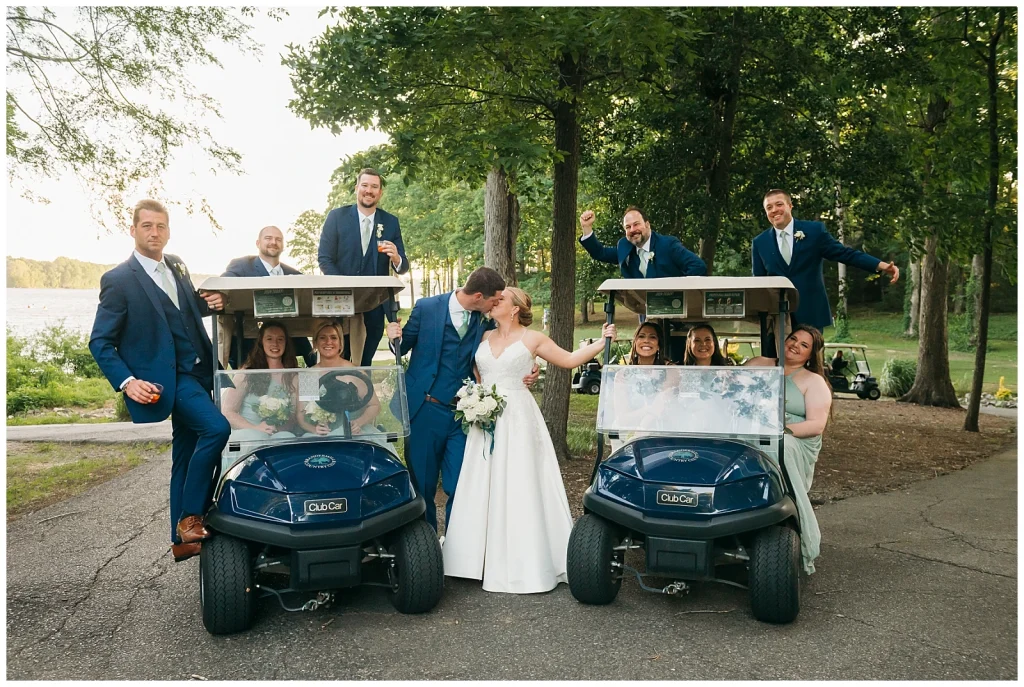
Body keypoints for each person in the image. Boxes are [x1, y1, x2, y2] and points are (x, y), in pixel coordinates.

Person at [442, 287, 616, 593]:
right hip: (486, 418)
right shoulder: (483, 336)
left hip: (519, 417)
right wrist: (475, 399)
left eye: (500, 300)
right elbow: (476, 372)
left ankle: (525, 560)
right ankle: (474, 561)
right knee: (481, 482)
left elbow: (569, 359)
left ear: (513, 308)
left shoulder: (533, 338)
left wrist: (602, 342)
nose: (493, 303)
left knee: (520, 483)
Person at [89, 199, 229, 563]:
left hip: (201, 370)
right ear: (133, 230)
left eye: (161, 226)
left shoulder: (177, 266)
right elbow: (100, 342)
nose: (155, 233)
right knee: (216, 429)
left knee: (184, 453)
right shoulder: (118, 280)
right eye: (147, 226)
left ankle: (180, 538)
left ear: (168, 231)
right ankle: (191, 517)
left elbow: (186, 308)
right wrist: (127, 382)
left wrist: (212, 300)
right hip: (170, 380)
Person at [385, 267, 539, 533]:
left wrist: (531, 365)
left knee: (461, 483)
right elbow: (403, 345)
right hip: (424, 410)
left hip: (462, 415)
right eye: (494, 299)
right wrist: (392, 337)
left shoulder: (484, 319)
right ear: (479, 296)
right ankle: (427, 546)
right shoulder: (426, 307)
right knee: (422, 484)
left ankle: (457, 547)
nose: (496, 305)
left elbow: (508, 342)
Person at [744, 324, 832, 574]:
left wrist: (781, 430)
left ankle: (803, 535)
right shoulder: (759, 364)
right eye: (793, 339)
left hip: (792, 434)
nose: (795, 345)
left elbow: (816, 424)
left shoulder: (813, 381)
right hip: (752, 426)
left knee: (774, 446)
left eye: (804, 345)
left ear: (810, 354)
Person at [752, 189, 899, 335]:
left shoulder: (814, 231)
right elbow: (758, 284)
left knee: (812, 358)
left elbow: (845, 254)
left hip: (811, 314)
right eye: (769, 207)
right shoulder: (760, 242)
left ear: (790, 206)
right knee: (774, 359)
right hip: (776, 318)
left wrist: (880, 265)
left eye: (779, 204)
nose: (774, 210)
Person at [318, 168, 410, 366]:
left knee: (364, 363)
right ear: (356, 188)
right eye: (365, 185)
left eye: (374, 187)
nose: (369, 190)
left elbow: (402, 267)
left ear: (380, 192)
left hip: (375, 306)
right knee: (337, 359)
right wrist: (345, 288)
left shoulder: (391, 222)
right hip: (340, 303)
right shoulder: (336, 217)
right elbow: (324, 259)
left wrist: (396, 258)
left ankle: (360, 393)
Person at [221, 225, 315, 368]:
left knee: (310, 369)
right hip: (249, 339)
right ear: (258, 243)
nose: (273, 242)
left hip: (289, 338)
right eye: (268, 238)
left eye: (278, 239)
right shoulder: (242, 266)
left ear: (283, 245)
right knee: (249, 383)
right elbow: (222, 286)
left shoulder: (295, 274)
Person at [297, 320, 380, 437]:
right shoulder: (310, 376)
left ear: (341, 343)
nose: (328, 342)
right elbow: (301, 415)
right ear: (315, 343)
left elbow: (374, 405)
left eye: (333, 338)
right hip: (323, 434)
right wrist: (314, 429)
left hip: (353, 432)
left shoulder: (354, 372)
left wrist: (358, 423)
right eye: (322, 338)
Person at [221, 321, 299, 442]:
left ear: (286, 343)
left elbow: (294, 416)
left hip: (279, 433)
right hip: (248, 432)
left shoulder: (293, 375)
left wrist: (277, 429)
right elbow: (228, 411)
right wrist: (255, 428)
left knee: (287, 438)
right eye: (269, 339)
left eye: (280, 339)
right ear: (261, 342)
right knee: (255, 437)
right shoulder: (246, 373)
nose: (275, 344)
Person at [578, 206, 706, 279]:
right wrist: (586, 227)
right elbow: (600, 253)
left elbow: (698, 267)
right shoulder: (624, 247)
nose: (633, 230)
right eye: (628, 227)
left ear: (647, 224)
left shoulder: (668, 245)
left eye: (636, 224)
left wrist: (676, 290)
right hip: (644, 313)